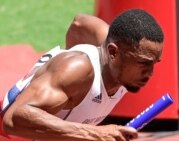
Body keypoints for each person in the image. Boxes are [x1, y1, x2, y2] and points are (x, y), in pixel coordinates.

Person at [1, 9, 164, 141]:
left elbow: (79, 22)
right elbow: (14, 119)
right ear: (114, 53)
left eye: (154, 63)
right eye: (143, 63)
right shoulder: (77, 70)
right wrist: (95, 133)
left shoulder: (117, 49)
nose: (150, 73)